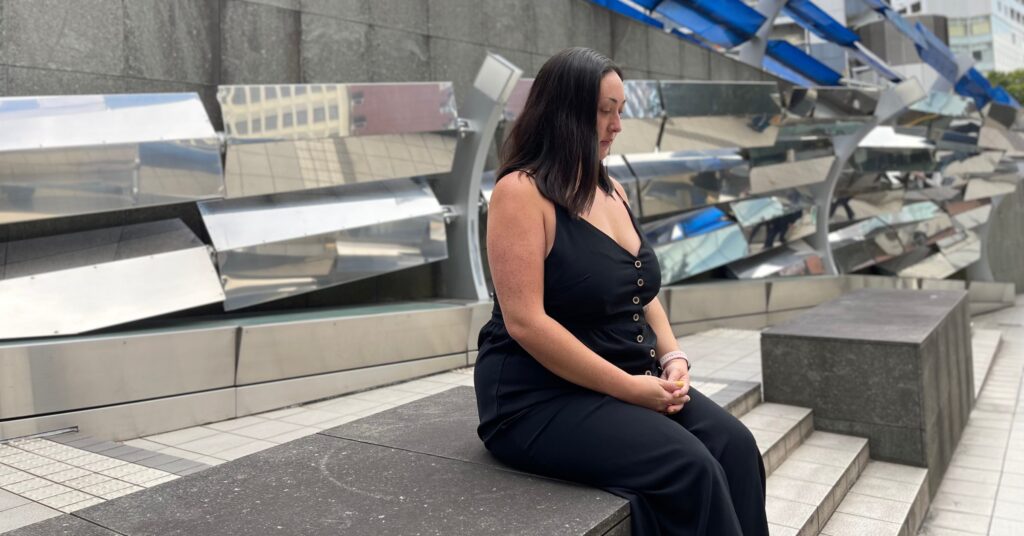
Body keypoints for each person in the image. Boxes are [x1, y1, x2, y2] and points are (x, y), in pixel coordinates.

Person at [473, 47, 769, 535]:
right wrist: (631, 389)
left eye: (620, 111)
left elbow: (638, 288)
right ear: (565, 113)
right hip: (538, 398)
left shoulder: (612, 190)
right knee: (689, 466)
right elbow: (525, 321)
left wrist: (673, 355)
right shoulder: (520, 193)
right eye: (604, 112)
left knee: (734, 444)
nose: (616, 125)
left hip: (629, 376)